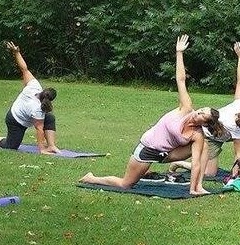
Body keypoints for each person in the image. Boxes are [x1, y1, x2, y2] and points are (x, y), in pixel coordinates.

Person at [80, 35, 225, 195]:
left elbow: (196, 162)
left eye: (202, 115)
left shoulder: (197, 134)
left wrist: (192, 190)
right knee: (126, 184)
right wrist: (179, 53)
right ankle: (92, 178)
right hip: (149, 148)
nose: (198, 112)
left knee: (202, 146)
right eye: (201, 110)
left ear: (203, 123)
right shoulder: (186, 108)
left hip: (167, 154)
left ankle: (197, 186)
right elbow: (181, 80)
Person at [168, 41, 240, 178]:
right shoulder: (238, 130)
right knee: (209, 173)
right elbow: (237, 155)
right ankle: (180, 163)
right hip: (210, 137)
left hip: (224, 133)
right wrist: (234, 178)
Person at [0, 41, 59, 154]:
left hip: (27, 115)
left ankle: (51, 146)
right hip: (16, 119)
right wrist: (41, 149)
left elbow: (24, 69)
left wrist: (16, 53)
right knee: (11, 146)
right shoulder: (37, 108)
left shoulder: (35, 85)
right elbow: (39, 129)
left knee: (50, 118)